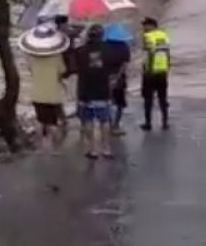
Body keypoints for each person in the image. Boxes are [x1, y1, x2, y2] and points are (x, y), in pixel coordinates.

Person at [19, 24, 72, 149]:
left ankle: (40, 145)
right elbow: (62, 71)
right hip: (52, 94)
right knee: (52, 122)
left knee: (40, 120)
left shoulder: (32, 58)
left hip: (37, 94)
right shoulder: (56, 57)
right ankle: (56, 147)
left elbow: (31, 70)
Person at [74, 24, 113, 159]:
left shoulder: (80, 51)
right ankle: (106, 148)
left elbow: (75, 68)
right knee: (104, 120)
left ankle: (92, 149)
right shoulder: (108, 49)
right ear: (102, 35)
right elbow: (112, 67)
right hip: (103, 90)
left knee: (88, 120)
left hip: (85, 91)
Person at [140, 17, 171, 131]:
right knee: (162, 98)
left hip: (151, 72)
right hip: (162, 71)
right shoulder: (164, 35)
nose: (144, 28)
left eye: (145, 25)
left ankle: (148, 123)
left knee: (148, 99)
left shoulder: (147, 36)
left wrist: (149, 70)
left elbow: (150, 54)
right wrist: (167, 67)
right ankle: (165, 122)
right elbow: (167, 53)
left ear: (152, 25)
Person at [103, 22, 132, 135]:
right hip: (119, 79)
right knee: (120, 103)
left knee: (107, 102)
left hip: (105, 78)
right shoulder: (124, 47)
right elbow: (124, 65)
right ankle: (116, 125)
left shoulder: (103, 46)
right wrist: (117, 77)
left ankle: (110, 125)